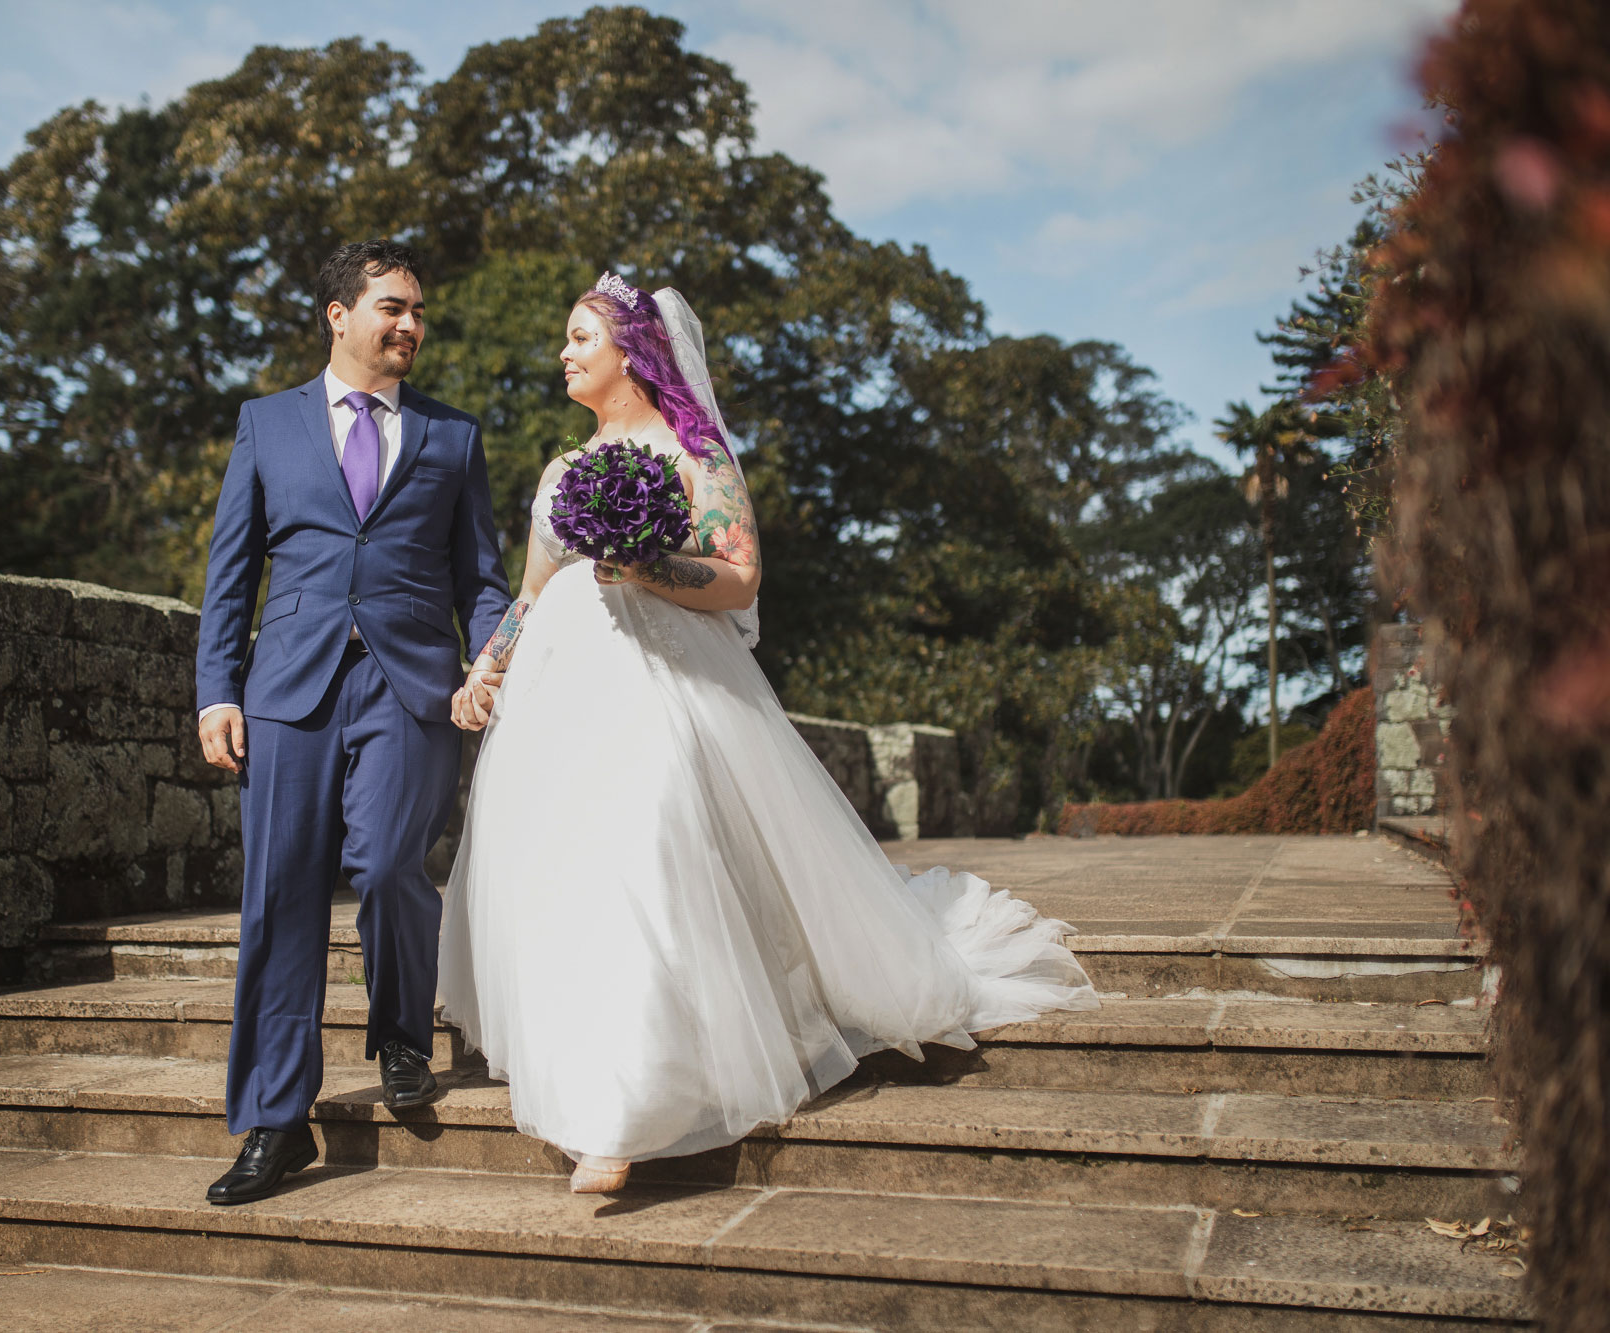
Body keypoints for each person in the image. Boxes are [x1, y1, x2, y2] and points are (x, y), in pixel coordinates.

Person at [437, 273, 1099, 1194]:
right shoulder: (559, 473)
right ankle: (592, 1065)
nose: (564, 351)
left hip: (660, 683)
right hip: (560, 699)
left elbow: (741, 577)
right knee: (572, 875)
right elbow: (536, 591)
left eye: (580, 335)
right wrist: (486, 667)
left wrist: (647, 563)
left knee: (653, 848)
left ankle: (626, 1111)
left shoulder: (692, 450)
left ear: (631, 351)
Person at [194, 240, 512, 1205]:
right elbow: (230, 574)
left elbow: (486, 581)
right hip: (286, 690)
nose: (411, 324)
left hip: (412, 687)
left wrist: (489, 662)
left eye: (419, 309)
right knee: (279, 895)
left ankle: (404, 1028)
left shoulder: (453, 438)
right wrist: (217, 687)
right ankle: (274, 1121)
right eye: (393, 306)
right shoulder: (264, 424)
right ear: (338, 313)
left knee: (385, 865)